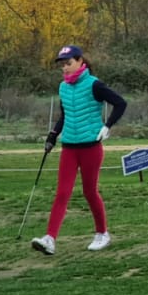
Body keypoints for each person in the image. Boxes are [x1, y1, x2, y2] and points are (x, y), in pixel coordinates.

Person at [30, 45, 128, 255]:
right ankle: (49, 239)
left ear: (80, 62)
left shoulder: (94, 85)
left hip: (91, 147)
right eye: (62, 65)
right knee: (62, 192)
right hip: (69, 148)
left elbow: (120, 103)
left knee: (89, 192)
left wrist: (107, 126)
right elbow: (65, 116)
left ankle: (102, 234)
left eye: (68, 63)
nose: (65, 68)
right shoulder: (63, 88)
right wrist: (52, 136)